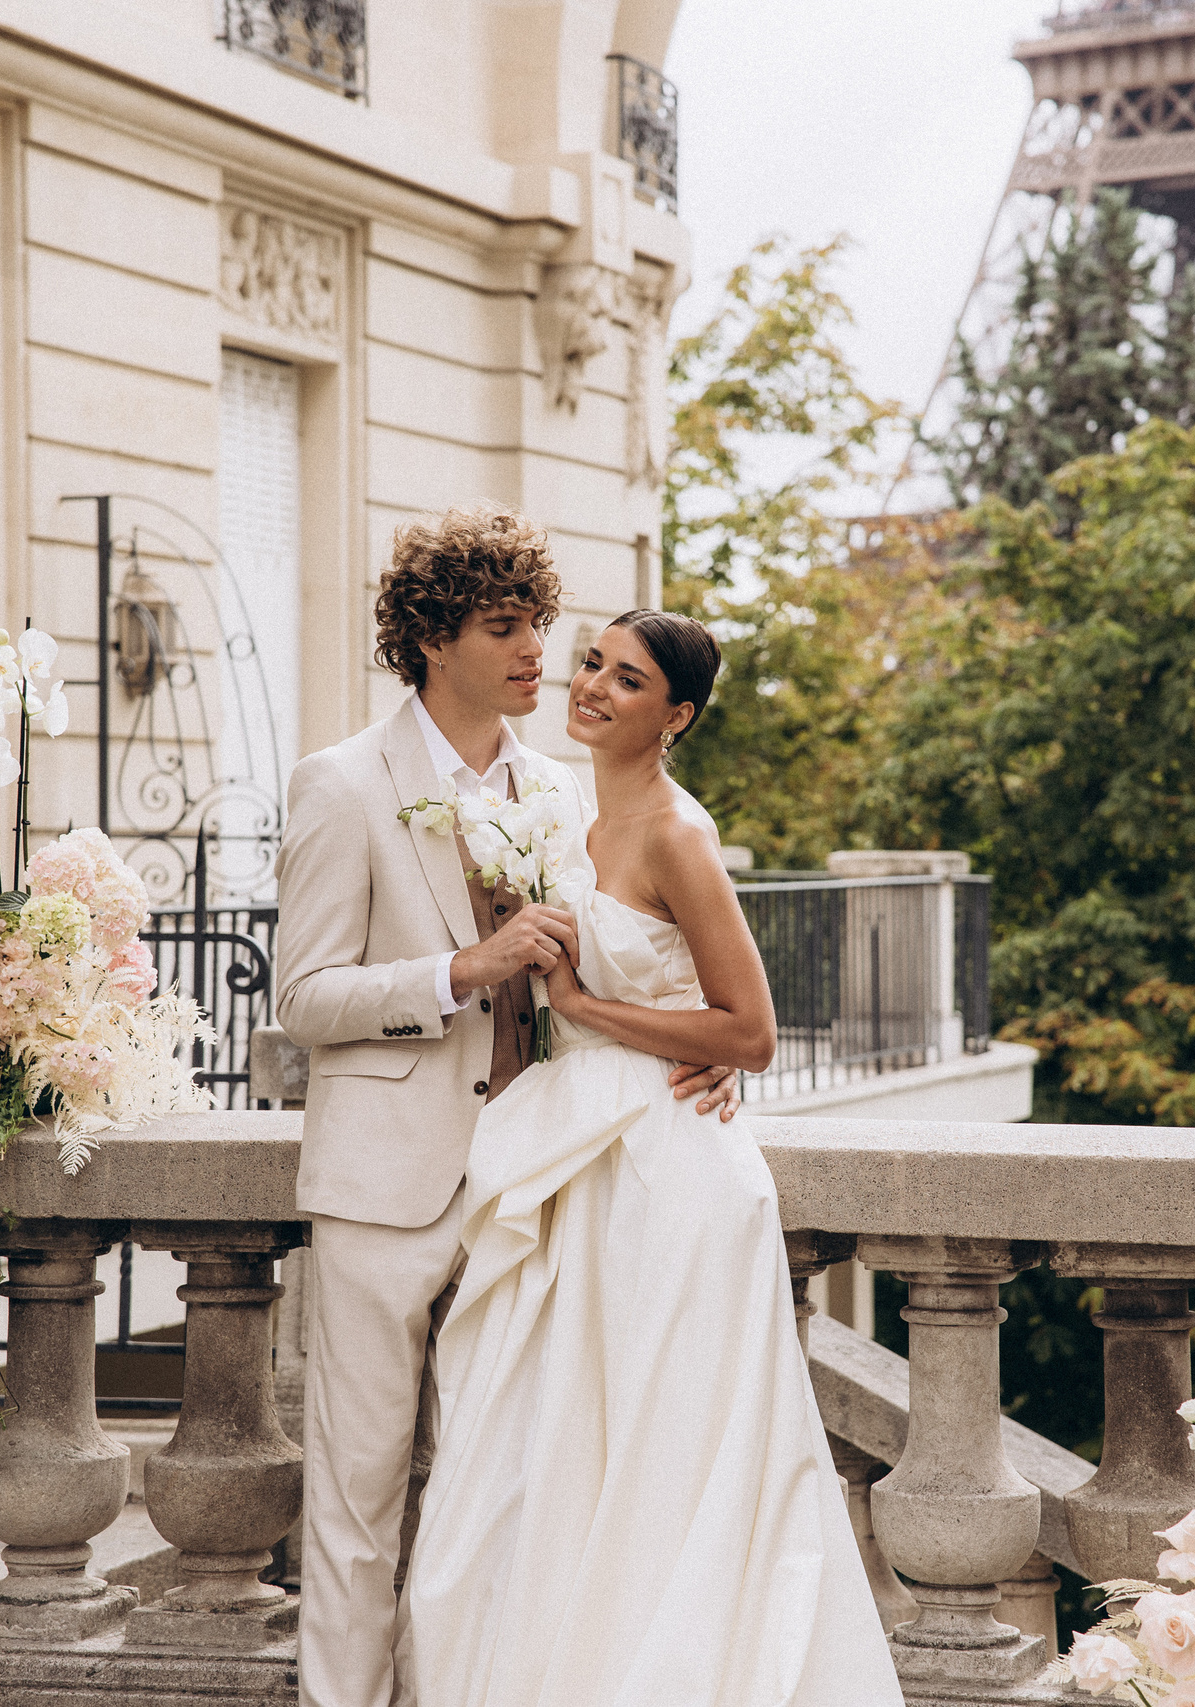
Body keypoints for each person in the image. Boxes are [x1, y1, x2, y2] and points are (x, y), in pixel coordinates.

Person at [273, 506, 741, 1707]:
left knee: (499, 1502)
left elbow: (637, 965)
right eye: (506, 627)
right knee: (358, 1501)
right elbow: (303, 998)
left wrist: (701, 1044)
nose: (539, 653)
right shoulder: (341, 785)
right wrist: (454, 976)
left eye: (541, 624)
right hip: (383, 1188)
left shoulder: (558, 791)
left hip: (533, 1188)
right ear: (433, 639)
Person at [403, 609, 905, 1707]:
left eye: (624, 680)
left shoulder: (679, 834)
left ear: (673, 715)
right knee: (547, 1446)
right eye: (590, 663)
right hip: (565, 1158)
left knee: (668, 1450)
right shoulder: (558, 814)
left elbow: (749, 1032)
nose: (589, 686)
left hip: (669, 1174)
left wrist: (587, 1006)